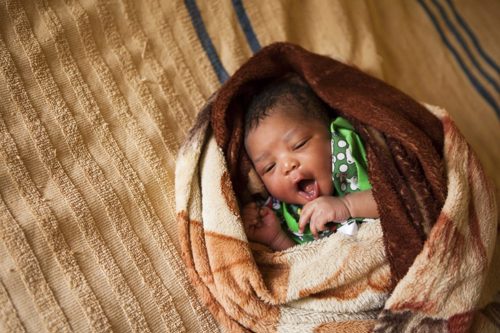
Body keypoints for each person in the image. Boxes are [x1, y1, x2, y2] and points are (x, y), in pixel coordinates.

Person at [242, 76, 379, 251]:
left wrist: (348, 205)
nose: (287, 165)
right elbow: (308, 262)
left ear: (328, 132)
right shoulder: (285, 215)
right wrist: (276, 238)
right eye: (270, 167)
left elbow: (393, 196)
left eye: (299, 144)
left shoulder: (346, 151)